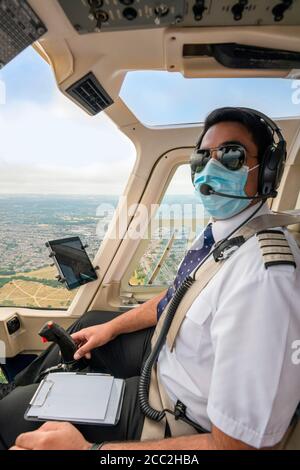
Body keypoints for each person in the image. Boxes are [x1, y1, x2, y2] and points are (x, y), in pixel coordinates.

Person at [1, 107, 300, 450]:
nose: (211, 167)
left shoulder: (265, 280)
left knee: (11, 414)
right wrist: (111, 328)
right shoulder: (224, 235)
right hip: (166, 362)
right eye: (202, 158)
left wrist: (91, 452)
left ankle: (22, 400)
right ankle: (27, 390)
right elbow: (179, 294)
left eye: (231, 155)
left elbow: (236, 447)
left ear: (267, 171)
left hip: (175, 418)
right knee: (89, 324)